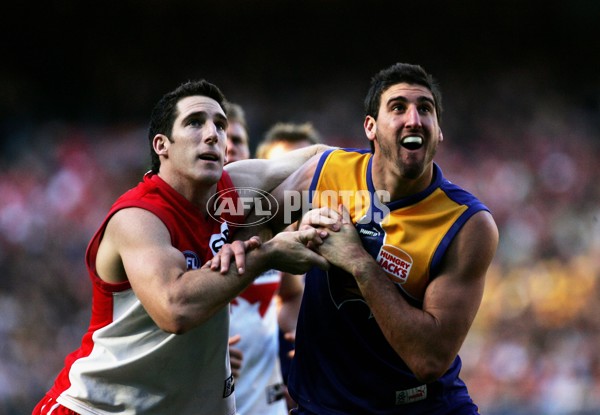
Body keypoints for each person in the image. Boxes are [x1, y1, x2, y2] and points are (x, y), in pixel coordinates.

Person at [31, 79, 331, 415]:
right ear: (162, 145)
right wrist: (267, 254)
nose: (212, 134)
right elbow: (175, 310)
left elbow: (320, 161)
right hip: (98, 408)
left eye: (220, 124)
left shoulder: (232, 191)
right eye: (194, 123)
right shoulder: (139, 217)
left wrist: (382, 175)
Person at [216, 62, 499, 414]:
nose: (413, 118)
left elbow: (429, 359)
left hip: (423, 407)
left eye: (425, 109)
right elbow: (241, 235)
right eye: (398, 107)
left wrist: (360, 264)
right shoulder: (327, 173)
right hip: (324, 408)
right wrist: (275, 249)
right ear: (371, 127)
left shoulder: (466, 223)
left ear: (438, 132)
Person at [228, 121, 322, 415]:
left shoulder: (339, 237)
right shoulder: (200, 233)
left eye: (306, 170)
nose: (299, 180)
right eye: (287, 168)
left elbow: (291, 297)